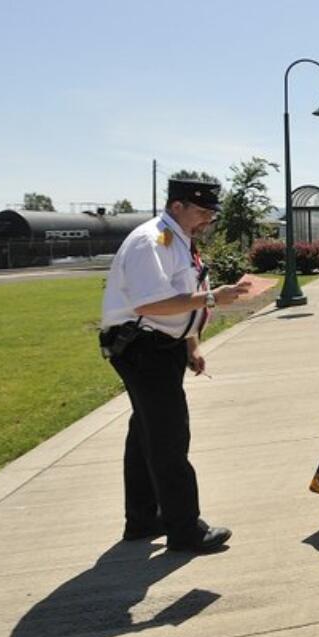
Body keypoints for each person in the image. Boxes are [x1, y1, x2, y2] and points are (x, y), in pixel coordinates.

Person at [99, 179, 250, 552]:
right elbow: (150, 304)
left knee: (146, 432)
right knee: (168, 436)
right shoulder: (152, 241)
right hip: (142, 348)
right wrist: (214, 297)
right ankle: (184, 529)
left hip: (159, 347)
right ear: (177, 205)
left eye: (210, 215)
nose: (206, 221)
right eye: (201, 213)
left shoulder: (178, 242)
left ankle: (141, 518)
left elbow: (180, 300)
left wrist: (191, 344)